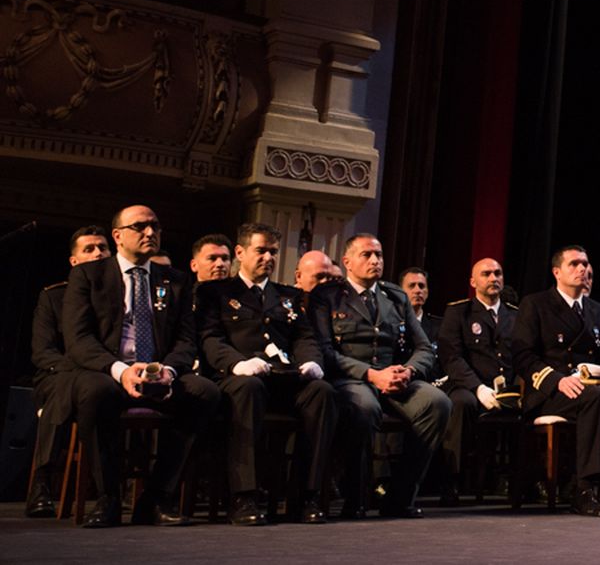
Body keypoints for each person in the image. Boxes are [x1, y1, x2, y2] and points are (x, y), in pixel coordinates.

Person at [61, 205, 222, 528]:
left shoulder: (175, 280)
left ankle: (156, 498)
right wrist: (121, 370)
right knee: (94, 393)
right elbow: (78, 339)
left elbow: (186, 340)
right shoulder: (89, 275)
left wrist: (169, 371)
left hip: (159, 374)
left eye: (155, 226)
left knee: (204, 392)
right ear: (118, 236)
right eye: (140, 227)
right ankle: (108, 497)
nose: (150, 233)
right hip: (109, 373)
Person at [196, 223, 337, 525]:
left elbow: (304, 337)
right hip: (237, 378)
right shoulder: (216, 292)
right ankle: (244, 496)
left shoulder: (287, 296)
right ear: (240, 253)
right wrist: (238, 363)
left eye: (273, 251)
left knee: (322, 392)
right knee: (249, 389)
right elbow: (210, 338)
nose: (269, 257)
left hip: (283, 378)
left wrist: (311, 362)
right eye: (261, 250)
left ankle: (305, 496)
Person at [510, 245, 600, 517]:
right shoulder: (536, 304)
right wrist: (556, 380)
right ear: (557, 272)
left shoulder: (596, 310)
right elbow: (522, 355)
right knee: (595, 397)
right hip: (551, 392)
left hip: (590, 387)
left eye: (585, 264)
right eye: (574, 264)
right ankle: (584, 488)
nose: (582, 269)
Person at [309, 234, 449, 519]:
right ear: (347, 261)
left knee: (437, 403)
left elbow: (423, 346)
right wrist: (371, 374)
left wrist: (408, 370)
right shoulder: (326, 296)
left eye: (379, 255)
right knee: (364, 408)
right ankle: (357, 498)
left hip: (394, 378)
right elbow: (324, 351)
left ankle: (400, 496)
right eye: (367, 255)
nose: (375, 261)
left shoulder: (395, 296)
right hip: (352, 379)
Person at [25, 226, 110, 517]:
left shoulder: (119, 297)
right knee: (67, 386)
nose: (98, 253)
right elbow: (43, 352)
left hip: (105, 377)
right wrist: (83, 370)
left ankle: (109, 490)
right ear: (73, 262)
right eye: (89, 249)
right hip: (57, 374)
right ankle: (42, 481)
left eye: (103, 248)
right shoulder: (53, 297)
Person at [434, 257, 518, 506]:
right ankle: (452, 481)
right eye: (486, 274)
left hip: (507, 388)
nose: (494, 278)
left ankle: (520, 480)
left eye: (498, 273)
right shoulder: (459, 312)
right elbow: (451, 357)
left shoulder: (515, 314)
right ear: (473, 281)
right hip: (468, 385)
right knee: (462, 404)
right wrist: (478, 387)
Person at [400, 267, 444, 350]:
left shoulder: (439, 327)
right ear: (400, 291)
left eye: (421, 286)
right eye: (412, 286)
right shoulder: (392, 323)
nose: (418, 290)